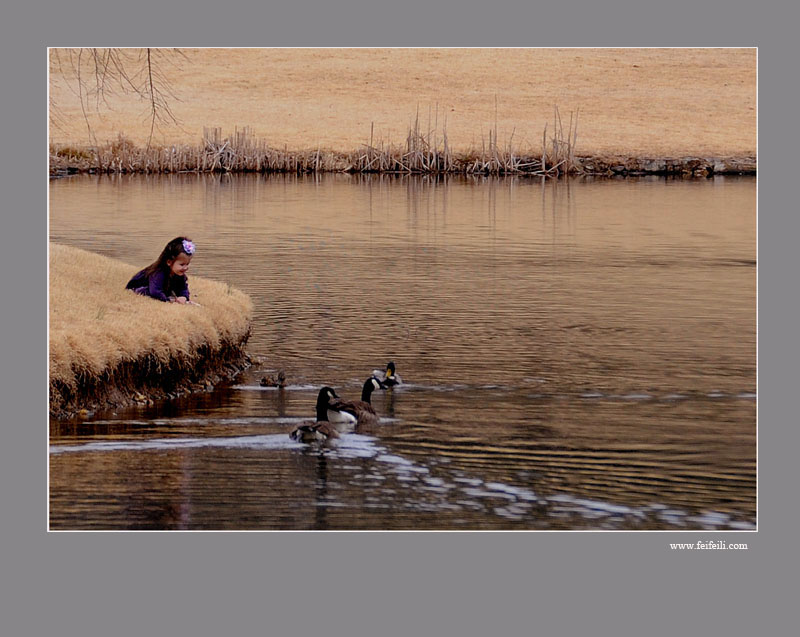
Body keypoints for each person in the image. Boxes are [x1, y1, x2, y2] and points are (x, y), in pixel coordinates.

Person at [126, 236, 200, 305]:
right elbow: (155, 292)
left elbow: (183, 287)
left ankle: (166, 294)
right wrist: (167, 301)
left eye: (187, 264)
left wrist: (184, 297)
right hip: (142, 287)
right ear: (169, 262)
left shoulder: (179, 274)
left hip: (157, 288)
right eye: (182, 265)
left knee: (168, 290)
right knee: (147, 291)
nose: (185, 268)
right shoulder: (158, 273)